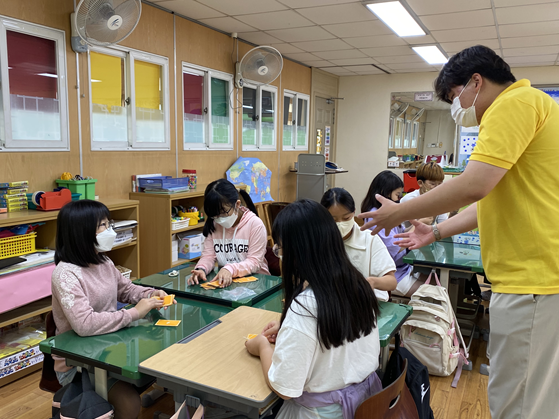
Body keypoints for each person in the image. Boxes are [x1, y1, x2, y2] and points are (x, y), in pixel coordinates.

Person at [360, 45, 559, 419]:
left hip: (533, 280)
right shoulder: (532, 105)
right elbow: (488, 203)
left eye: (454, 96)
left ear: (475, 82)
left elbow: (474, 186)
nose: (457, 107)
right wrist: (435, 233)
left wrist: (399, 212)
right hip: (534, 280)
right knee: (532, 397)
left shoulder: (513, 104)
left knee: (518, 403)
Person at [245, 199, 382, 418]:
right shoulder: (358, 285)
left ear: (296, 253)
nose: (280, 256)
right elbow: (336, 328)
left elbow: (284, 388)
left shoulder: (305, 308)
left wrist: (262, 347)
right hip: (367, 403)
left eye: (280, 249)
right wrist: (289, 328)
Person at [52, 200, 174, 419]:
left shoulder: (103, 261)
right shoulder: (65, 274)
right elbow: (84, 324)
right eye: (103, 225)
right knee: (130, 404)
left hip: (109, 348)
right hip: (79, 364)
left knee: (163, 362)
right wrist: (135, 313)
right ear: (82, 231)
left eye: (109, 224)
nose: (110, 231)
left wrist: (150, 294)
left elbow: (126, 289)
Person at [188, 179, 269, 287]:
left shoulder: (255, 224)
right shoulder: (214, 225)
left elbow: (254, 262)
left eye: (223, 212)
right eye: (214, 215)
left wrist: (230, 269)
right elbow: (208, 256)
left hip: (256, 284)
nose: (219, 219)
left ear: (237, 204)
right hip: (228, 284)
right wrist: (201, 269)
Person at [320, 187, 396, 301]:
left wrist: (372, 282)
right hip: (331, 303)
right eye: (333, 220)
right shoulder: (319, 240)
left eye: (346, 218)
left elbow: (392, 282)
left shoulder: (369, 239)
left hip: (365, 303)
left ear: (354, 212)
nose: (340, 224)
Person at [361, 171, 427, 297]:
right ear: (385, 193)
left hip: (403, 267)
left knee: (435, 281)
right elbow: (395, 246)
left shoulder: (386, 212)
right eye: (397, 195)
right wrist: (419, 224)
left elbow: (400, 234)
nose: (398, 199)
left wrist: (417, 224)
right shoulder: (376, 216)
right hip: (391, 274)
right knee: (432, 294)